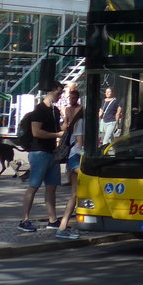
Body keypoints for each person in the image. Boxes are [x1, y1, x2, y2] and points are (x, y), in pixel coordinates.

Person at [18, 87, 62, 232]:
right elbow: (36, 132)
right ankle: (24, 220)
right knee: (34, 186)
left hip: (51, 152)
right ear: (51, 91)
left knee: (51, 187)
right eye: (58, 92)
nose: (60, 96)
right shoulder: (39, 110)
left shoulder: (55, 111)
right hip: (39, 152)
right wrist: (57, 135)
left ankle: (53, 220)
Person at [55, 97, 85, 240]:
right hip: (76, 159)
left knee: (75, 194)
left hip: (75, 159)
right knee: (78, 192)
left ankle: (64, 225)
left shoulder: (80, 122)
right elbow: (80, 146)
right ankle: (63, 226)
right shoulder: (81, 122)